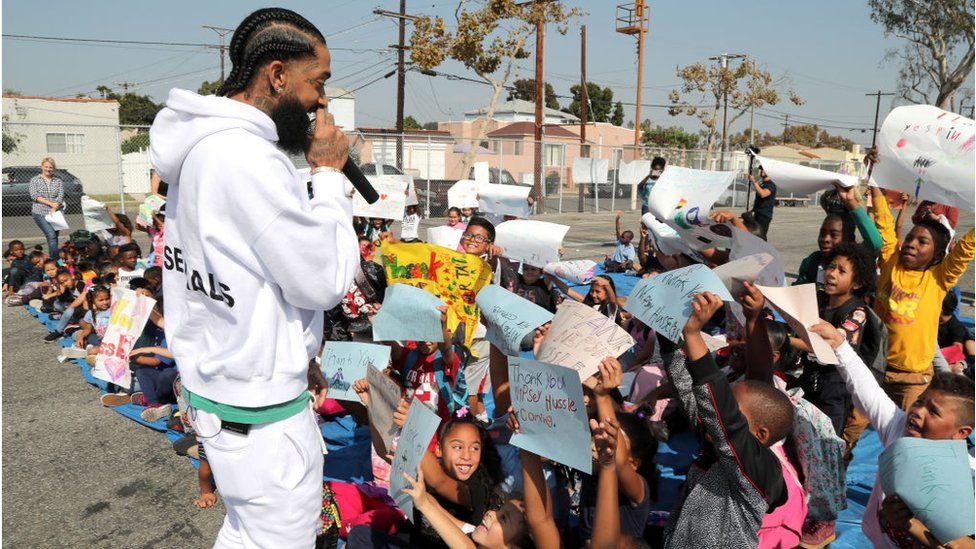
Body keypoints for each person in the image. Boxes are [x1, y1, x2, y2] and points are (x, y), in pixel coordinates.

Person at [148, 8, 359, 547]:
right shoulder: (245, 159)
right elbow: (326, 280)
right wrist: (330, 178)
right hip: (262, 421)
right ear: (278, 74)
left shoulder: (199, 146)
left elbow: (247, 276)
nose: (321, 102)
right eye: (318, 83)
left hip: (218, 395)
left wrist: (296, 347)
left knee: (245, 533)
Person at [810, 321, 975, 548]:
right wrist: (840, 346)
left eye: (933, 411)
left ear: (961, 433)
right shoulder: (899, 430)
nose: (917, 411)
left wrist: (911, 525)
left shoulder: (968, 481)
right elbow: (868, 391)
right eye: (919, 401)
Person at [663, 292, 791, 548]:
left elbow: (725, 421)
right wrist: (665, 326)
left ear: (760, 435)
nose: (720, 410)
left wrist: (693, 335)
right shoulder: (714, 446)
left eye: (731, 408)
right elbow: (687, 389)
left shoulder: (761, 469)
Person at [867, 161, 975, 410]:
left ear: (937, 255)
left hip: (913, 378)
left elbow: (964, 250)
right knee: (852, 429)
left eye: (922, 242)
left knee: (909, 433)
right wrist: (876, 177)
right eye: (911, 238)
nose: (912, 244)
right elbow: (884, 221)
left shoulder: (938, 279)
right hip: (875, 367)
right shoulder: (890, 262)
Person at [29, 157, 65, 256]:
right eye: (46, 167)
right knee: (51, 235)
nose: (48, 169)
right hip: (40, 212)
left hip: (56, 213)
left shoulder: (58, 181)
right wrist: (50, 204)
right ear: (42, 167)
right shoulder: (35, 180)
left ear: (53, 168)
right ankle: (54, 260)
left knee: (54, 237)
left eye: (51, 167)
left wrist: (54, 207)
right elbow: (34, 195)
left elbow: (60, 195)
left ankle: (51, 260)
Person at [749, 167, 777, 240]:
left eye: (764, 169)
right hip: (758, 214)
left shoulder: (771, 184)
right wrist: (752, 210)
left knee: (761, 236)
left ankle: (764, 250)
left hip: (764, 215)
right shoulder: (762, 183)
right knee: (755, 236)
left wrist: (753, 181)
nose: (762, 171)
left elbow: (763, 194)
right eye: (761, 169)